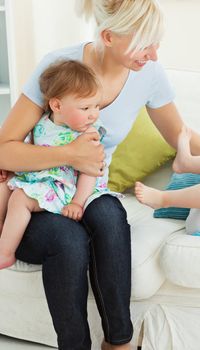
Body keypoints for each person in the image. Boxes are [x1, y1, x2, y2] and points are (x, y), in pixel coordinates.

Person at [0, 0, 200, 349]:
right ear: (108, 36)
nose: (153, 55)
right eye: (145, 44)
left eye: (157, 43)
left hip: (85, 188)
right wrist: (69, 154)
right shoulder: (60, 68)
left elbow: (179, 134)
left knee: (112, 216)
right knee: (69, 241)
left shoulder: (149, 75)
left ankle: (119, 341)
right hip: (40, 193)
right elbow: (5, 147)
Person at [0, 59, 114, 270]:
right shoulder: (42, 122)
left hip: (64, 187)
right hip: (39, 178)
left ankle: (5, 252)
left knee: (20, 198)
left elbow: (91, 171)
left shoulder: (88, 133)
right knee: (3, 186)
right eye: (85, 107)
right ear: (57, 105)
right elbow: (29, 150)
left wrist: (78, 203)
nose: (93, 114)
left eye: (96, 106)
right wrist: (8, 169)